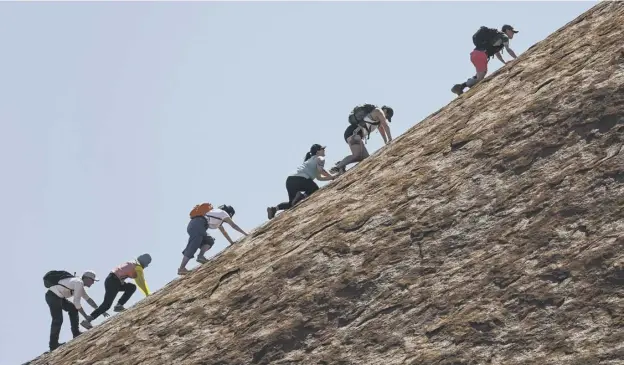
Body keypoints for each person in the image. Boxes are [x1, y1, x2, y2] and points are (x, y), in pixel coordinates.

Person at [82, 254, 152, 329]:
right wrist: (147, 294)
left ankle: (119, 305)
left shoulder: (132, 263)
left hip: (113, 280)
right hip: (114, 281)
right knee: (106, 305)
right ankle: (87, 321)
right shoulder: (137, 267)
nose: (146, 266)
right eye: (147, 264)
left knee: (131, 287)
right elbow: (141, 281)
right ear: (144, 262)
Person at [267, 144, 336, 220]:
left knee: (292, 203)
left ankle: (274, 209)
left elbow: (319, 178)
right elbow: (321, 170)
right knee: (315, 189)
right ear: (317, 151)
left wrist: (331, 178)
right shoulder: (320, 158)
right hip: (301, 179)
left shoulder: (310, 161)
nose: (324, 150)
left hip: (290, 180)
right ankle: (300, 196)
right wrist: (332, 176)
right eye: (322, 149)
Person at [43, 270, 106, 351]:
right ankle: (53, 345)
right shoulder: (78, 283)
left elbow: (88, 299)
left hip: (58, 297)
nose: (93, 283)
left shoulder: (79, 283)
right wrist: (86, 316)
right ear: (86, 278)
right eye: (92, 280)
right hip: (52, 297)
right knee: (58, 319)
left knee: (73, 309)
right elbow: (77, 303)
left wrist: (100, 310)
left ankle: (75, 333)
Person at [178, 204, 248, 275]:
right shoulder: (223, 213)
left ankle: (200, 257)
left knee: (209, 240)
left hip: (196, 225)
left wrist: (231, 242)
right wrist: (246, 234)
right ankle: (182, 268)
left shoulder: (216, 215)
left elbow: (224, 232)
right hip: (198, 224)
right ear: (229, 213)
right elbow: (234, 225)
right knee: (194, 244)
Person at [452, 25, 519, 96]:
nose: (513, 34)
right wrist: (517, 58)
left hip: (475, 54)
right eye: (512, 32)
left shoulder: (497, 37)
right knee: (480, 79)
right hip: (481, 55)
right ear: (507, 30)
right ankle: (460, 87)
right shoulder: (504, 37)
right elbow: (508, 49)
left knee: (480, 75)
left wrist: (504, 62)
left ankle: (462, 86)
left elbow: (497, 53)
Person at [330, 104, 393, 175]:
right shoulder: (378, 111)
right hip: (353, 133)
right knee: (356, 155)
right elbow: (386, 126)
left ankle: (342, 163)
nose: (386, 118)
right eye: (387, 116)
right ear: (385, 111)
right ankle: (337, 168)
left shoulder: (378, 120)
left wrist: (386, 142)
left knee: (365, 158)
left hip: (356, 135)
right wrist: (390, 140)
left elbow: (382, 129)